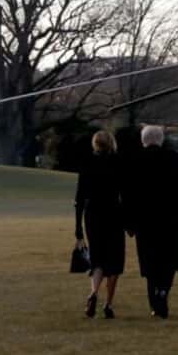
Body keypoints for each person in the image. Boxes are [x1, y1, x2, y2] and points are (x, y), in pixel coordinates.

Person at [128, 125, 178, 319]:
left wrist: (130, 223)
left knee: (150, 262)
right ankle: (164, 291)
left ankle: (154, 301)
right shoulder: (175, 159)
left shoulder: (135, 160)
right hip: (171, 220)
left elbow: (129, 195)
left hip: (145, 221)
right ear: (161, 139)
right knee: (169, 260)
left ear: (143, 140)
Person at [73, 130, 126, 319]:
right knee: (115, 262)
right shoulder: (118, 162)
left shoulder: (87, 164)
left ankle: (94, 293)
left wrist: (78, 228)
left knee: (98, 259)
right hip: (113, 213)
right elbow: (125, 194)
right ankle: (108, 304)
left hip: (92, 215)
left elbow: (79, 198)